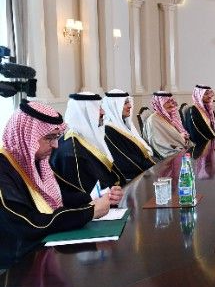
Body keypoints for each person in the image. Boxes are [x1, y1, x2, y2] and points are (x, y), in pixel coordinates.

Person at [0, 100, 113, 249]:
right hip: (18, 257)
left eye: (57, 137)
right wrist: (89, 212)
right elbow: (29, 224)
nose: (56, 145)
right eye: (49, 138)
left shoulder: (34, 159)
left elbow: (55, 197)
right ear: (27, 137)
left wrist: (96, 198)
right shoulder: (3, 168)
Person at [51, 92, 126, 200]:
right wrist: (109, 193)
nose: (103, 112)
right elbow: (84, 195)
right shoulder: (72, 152)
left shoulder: (86, 139)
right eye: (98, 108)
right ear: (85, 113)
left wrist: (113, 191)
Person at [102, 89, 155, 180]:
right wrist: (152, 167)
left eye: (129, 102)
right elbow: (125, 160)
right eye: (125, 103)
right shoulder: (108, 130)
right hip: (132, 178)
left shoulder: (124, 124)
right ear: (114, 106)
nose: (130, 106)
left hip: (142, 170)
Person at [143, 91, 191, 159]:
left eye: (171, 101)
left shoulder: (169, 117)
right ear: (159, 103)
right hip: (170, 157)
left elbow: (173, 135)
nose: (171, 105)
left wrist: (182, 136)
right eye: (167, 102)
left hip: (182, 149)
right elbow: (159, 145)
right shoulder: (154, 120)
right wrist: (181, 140)